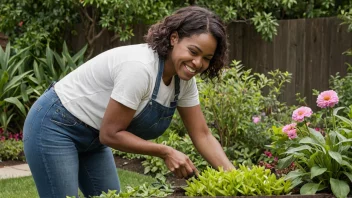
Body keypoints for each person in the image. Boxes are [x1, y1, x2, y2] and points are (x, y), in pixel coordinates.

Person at [23, 5, 235, 198]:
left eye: (206, 58)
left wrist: (234, 179)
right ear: (174, 38)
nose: (197, 63)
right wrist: (165, 151)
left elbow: (202, 134)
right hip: (55, 125)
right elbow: (111, 133)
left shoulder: (184, 81)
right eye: (193, 51)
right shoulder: (140, 68)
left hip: (94, 138)